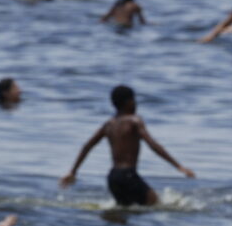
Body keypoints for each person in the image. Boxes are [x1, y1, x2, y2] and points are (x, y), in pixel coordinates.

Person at [60, 86, 192, 208]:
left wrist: (73, 171)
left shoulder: (108, 124)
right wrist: (178, 166)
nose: (136, 103)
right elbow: (153, 145)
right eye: (134, 100)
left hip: (113, 178)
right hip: (128, 175)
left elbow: (87, 146)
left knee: (123, 213)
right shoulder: (134, 121)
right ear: (128, 102)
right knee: (156, 206)